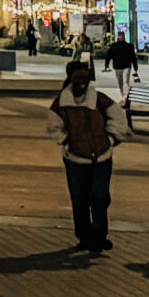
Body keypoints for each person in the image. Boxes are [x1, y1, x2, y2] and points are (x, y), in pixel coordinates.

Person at [49, 60, 122, 253]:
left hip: (102, 157)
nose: (82, 81)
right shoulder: (61, 103)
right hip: (75, 159)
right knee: (79, 199)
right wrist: (66, 141)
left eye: (85, 77)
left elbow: (118, 117)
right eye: (78, 77)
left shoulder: (99, 99)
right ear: (70, 78)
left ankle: (98, 236)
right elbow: (54, 126)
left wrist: (111, 138)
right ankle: (84, 236)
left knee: (99, 197)